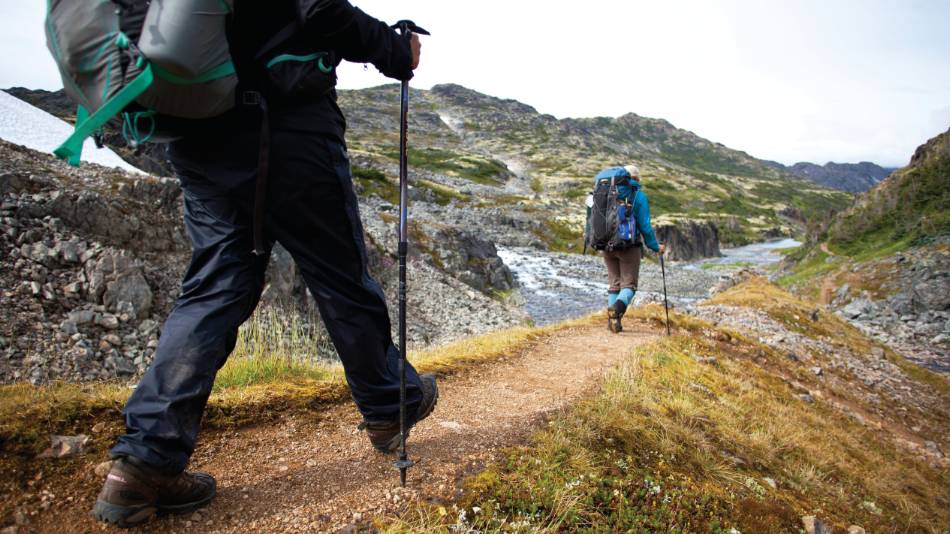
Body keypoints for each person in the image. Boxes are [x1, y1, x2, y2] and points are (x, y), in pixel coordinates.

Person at [92, 1, 437, 527]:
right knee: (340, 277)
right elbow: (319, 8)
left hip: (200, 134)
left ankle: (141, 464)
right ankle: (389, 408)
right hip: (290, 130)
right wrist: (393, 49)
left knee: (215, 287)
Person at [601, 164, 664, 333]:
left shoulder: (604, 192)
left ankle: (613, 322)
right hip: (629, 246)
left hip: (605, 245)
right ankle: (616, 310)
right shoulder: (638, 196)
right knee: (629, 285)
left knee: (614, 284)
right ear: (636, 179)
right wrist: (655, 246)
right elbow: (645, 226)